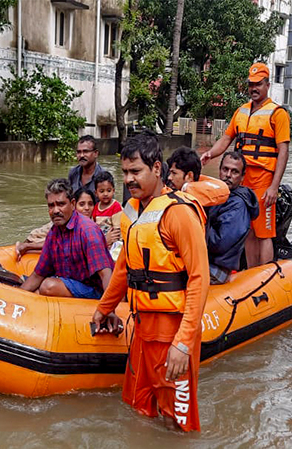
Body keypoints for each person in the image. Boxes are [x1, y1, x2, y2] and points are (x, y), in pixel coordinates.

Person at [92, 132, 209, 432]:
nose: (129, 179)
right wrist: (103, 308)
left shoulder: (178, 213)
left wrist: (182, 344)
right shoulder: (130, 212)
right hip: (141, 327)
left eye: (136, 172)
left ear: (157, 169)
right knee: (138, 406)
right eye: (125, 172)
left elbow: (199, 278)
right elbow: (124, 268)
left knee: (177, 421)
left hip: (172, 329)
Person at [201, 62, 290, 267]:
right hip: (242, 180)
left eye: (258, 84)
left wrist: (274, 187)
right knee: (248, 229)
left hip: (263, 180)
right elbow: (226, 139)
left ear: (267, 84)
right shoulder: (240, 111)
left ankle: (266, 277)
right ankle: (250, 275)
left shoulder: (278, 114)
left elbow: (283, 151)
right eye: (251, 84)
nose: (254, 89)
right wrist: (210, 154)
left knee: (264, 232)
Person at [20, 179, 114, 299]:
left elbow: (106, 274)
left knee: (48, 286)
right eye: (51, 206)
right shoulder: (54, 233)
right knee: (37, 291)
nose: (55, 211)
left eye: (61, 204)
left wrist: (109, 308)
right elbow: (38, 274)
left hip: (95, 290)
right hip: (72, 283)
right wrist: (16, 296)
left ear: (73, 204)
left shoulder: (87, 231)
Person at [207, 152, 259, 284]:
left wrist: (197, 224)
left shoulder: (238, 205)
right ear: (219, 171)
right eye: (225, 169)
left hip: (216, 269)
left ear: (242, 177)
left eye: (234, 172)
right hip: (207, 261)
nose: (228, 175)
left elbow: (219, 244)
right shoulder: (218, 195)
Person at [15, 186, 95, 260]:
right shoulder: (62, 222)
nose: (87, 208)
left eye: (90, 204)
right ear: (73, 205)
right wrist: (27, 246)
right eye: (82, 204)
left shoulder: (94, 225)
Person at [92, 171, 122, 249]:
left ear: (113, 191)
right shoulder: (96, 207)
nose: (105, 194)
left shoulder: (116, 206)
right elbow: (93, 226)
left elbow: (117, 230)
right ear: (96, 193)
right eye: (101, 191)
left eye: (109, 190)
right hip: (101, 241)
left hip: (113, 242)